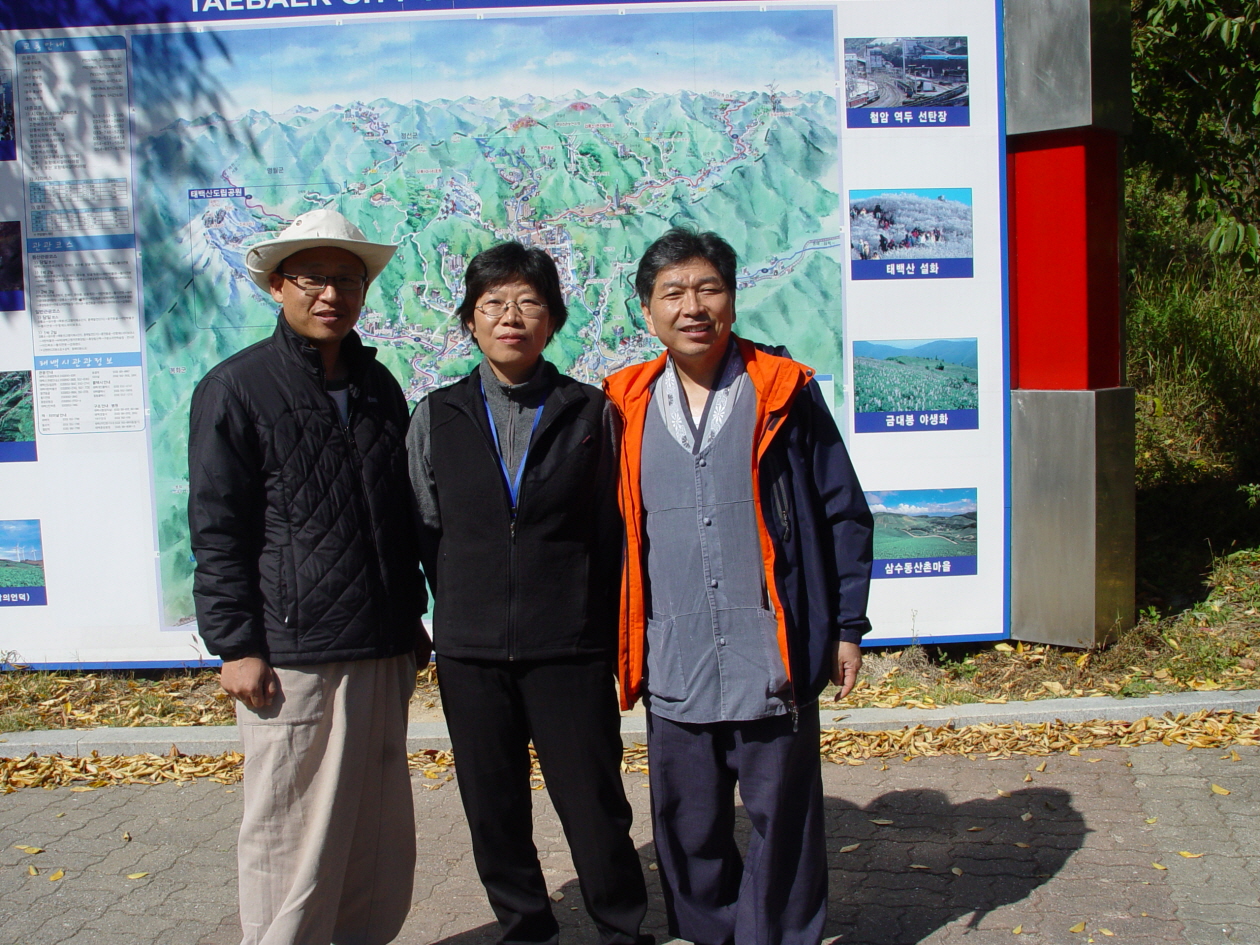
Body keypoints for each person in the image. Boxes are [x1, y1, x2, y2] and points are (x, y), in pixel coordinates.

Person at [604, 227, 874, 945]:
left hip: (770, 649)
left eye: (709, 289)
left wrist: (847, 627)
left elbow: (843, 512)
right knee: (687, 822)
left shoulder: (783, 393)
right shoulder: (625, 405)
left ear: (732, 298)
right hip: (675, 652)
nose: (693, 307)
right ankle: (709, 934)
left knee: (785, 820)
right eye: (673, 292)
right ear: (648, 310)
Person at [188, 207, 428, 945]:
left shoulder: (379, 386)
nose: (331, 294)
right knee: (289, 829)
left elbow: (398, 514)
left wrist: (410, 621)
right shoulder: (237, 388)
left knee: (373, 829)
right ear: (278, 286)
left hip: (381, 642)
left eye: (347, 280)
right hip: (293, 651)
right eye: (313, 278)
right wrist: (236, 645)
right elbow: (218, 527)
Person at [407, 242, 650, 945]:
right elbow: (424, 525)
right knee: (494, 807)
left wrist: (591, 619)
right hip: (471, 651)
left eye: (528, 303)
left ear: (553, 321)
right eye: (493, 304)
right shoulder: (437, 415)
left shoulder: (591, 413)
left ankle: (621, 928)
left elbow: (612, 528)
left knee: (594, 803)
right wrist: (461, 603)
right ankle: (526, 927)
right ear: (470, 321)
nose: (510, 317)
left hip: (569, 647)